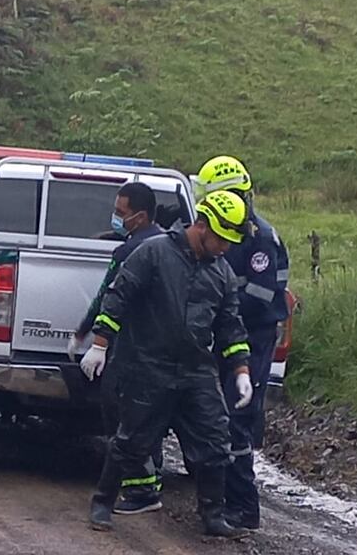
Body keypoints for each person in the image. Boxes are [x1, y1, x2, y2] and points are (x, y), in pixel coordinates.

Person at [87, 190, 254, 536]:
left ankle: (213, 516)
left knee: (214, 442)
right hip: (149, 366)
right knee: (130, 440)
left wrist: (241, 370)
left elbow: (230, 326)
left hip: (196, 372)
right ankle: (103, 502)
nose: (226, 248)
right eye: (222, 240)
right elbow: (119, 295)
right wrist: (100, 344)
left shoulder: (221, 273)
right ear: (202, 225)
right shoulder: (155, 252)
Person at [195, 156, 290, 531]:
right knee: (217, 417)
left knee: (237, 419)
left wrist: (218, 310)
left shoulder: (260, 239)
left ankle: (243, 506)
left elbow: (258, 295)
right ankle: (219, 497)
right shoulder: (225, 234)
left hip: (252, 337)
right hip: (228, 335)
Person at [69, 182, 163, 440]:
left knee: (118, 417)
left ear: (140, 217)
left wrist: (84, 333)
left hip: (128, 352)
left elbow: (106, 296)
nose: (116, 218)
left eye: (120, 213)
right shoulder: (170, 246)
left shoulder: (128, 252)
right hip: (165, 357)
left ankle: (120, 472)